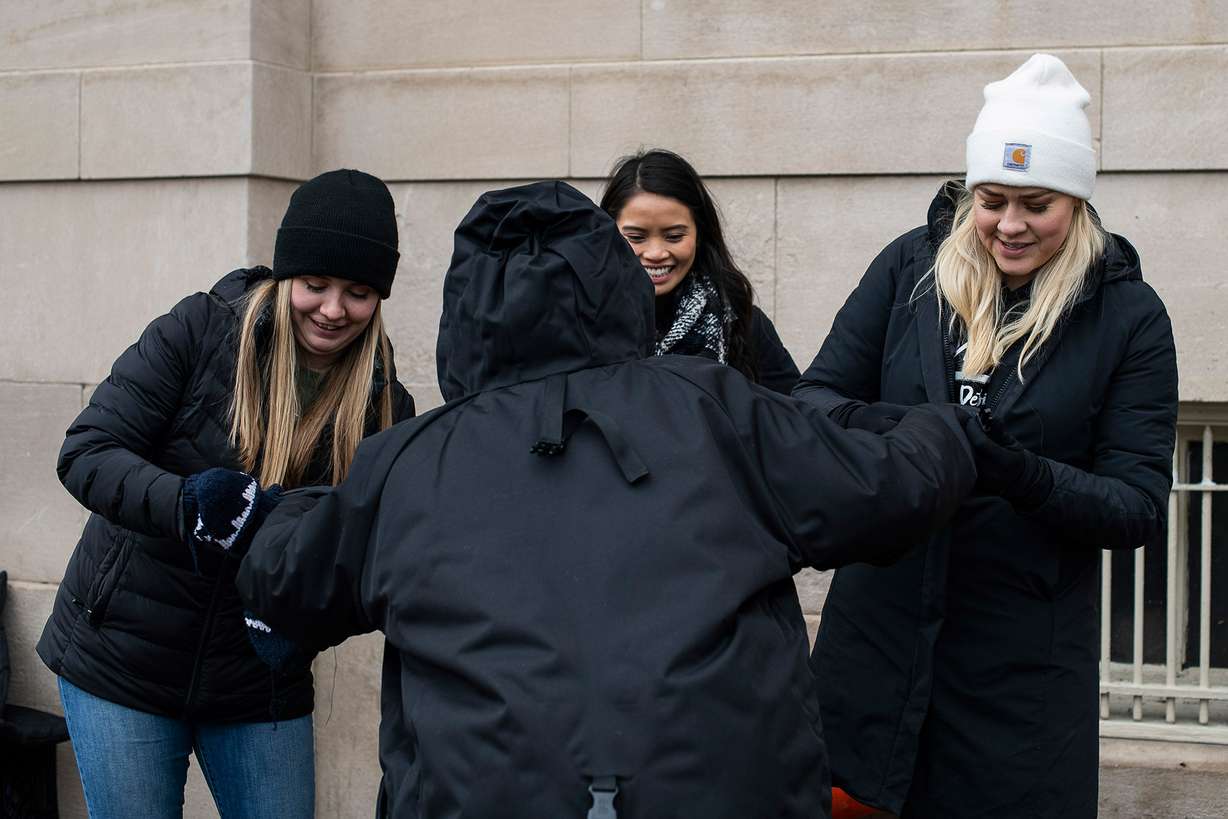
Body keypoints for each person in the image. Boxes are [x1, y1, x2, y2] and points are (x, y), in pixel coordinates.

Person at [178, 180, 978, 818]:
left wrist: (277, 509)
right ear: (613, 286)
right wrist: (948, 424)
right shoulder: (713, 408)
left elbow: (284, 578)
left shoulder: (410, 462)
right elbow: (890, 486)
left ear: (467, 314)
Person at [795, 55, 1178, 818]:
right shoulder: (909, 269)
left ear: (1077, 198)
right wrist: (917, 433)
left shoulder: (1129, 317)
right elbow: (813, 401)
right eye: (991, 200)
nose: (1009, 224)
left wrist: (1019, 472)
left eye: (1037, 203)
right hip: (877, 655)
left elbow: (1137, 506)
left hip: (1021, 683)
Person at [38, 169, 415, 818]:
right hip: (123, 660)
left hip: (259, 682)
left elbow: (371, 563)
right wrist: (189, 504)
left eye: (357, 293)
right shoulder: (201, 328)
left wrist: (308, 620)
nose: (333, 310)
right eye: (316, 284)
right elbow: (87, 453)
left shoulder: (385, 407)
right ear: (286, 274)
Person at [600, 148, 799, 394]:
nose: (656, 253)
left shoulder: (741, 322)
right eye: (636, 237)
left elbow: (794, 410)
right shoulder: (582, 320)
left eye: (674, 236)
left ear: (699, 234)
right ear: (607, 235)